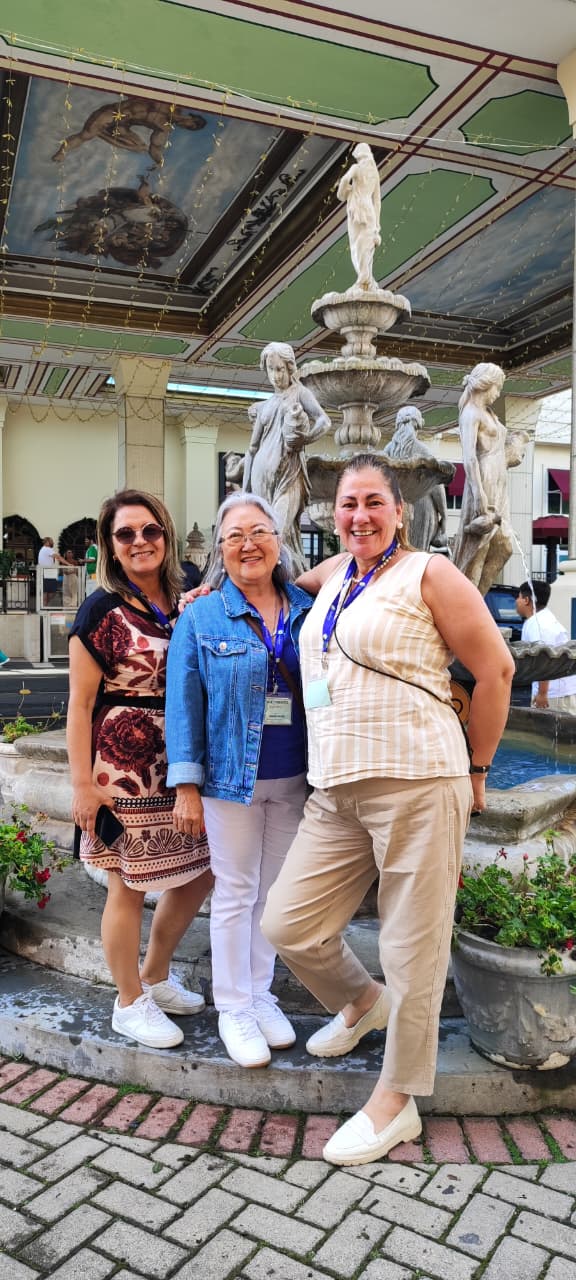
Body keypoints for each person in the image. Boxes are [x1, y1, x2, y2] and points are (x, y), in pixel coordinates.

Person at [261, 454, 514, 1166]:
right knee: (288, 922)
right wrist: (209, 592)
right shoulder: (335, 575)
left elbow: (496, 670)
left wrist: (478, 768)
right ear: (333, 514)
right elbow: (274, 587)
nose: (360, 516)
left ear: (400, 511)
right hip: (336, 785)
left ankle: (397, 1100)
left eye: (374, 502)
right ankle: (362, 1002)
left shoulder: (429, 572)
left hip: (419, 778)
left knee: (412, 948)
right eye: (348, 504)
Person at [165, 492, 312, 1069]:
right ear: (220, 550)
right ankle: (233, 1007)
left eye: (259, 532)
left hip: (295, 776)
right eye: (234, 536)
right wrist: (186, 786)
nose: (248, 545)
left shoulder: (306, 608)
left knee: (272, 895)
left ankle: (259, 993)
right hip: (231, 782)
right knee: (235, 891)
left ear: (278, 541)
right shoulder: (200, 617)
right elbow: (183, 707)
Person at [67, 488, 212, 1050]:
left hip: (182, 759)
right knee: (127, 885)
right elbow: (79, 704)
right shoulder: (99, 611)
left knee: (202, 871)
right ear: (110, 545)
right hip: (123, 764)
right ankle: (128, 1002)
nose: (140, 541)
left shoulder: (188, 588)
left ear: (166, 534)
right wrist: (82, 785)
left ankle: (154, 975)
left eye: (150, 530)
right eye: (125, 534)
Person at [243, 342, 330, 575]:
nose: (275, 376)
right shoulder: (266, 405)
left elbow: (324, 420)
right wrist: (246, 490)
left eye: (280, 369)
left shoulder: (300, 393)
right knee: (265, 532)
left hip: (289, 475)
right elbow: (252, 449)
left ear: (290, 367)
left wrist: (306, 439)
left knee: (276, 532)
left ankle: (286, 583)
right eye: (271, 369)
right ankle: (276, 583)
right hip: (261, 478)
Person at [452, 363, 528, 597]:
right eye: (498, 387)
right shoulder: (470, 413)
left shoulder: (488, 413)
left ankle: (476, 601)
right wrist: (479, 495)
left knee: (504, 547)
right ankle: (465, 605)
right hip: (484, 480)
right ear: (487, 384)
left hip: (499, 480)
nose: (498, 393)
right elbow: (469, 458)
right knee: (479, 549)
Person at [383, 404, 448, 552]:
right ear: (416, 424)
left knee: (395, 552)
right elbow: (436, 486)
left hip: (394, 507)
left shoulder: (388, 450)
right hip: (421, 505)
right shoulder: (423, 450)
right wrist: (444, 515)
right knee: (418, 553)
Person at [516, 580, 576, 712]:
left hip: (555, 695)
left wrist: (542, 693)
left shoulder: (539, 625)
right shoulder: (540, 619)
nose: (516, 601)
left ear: (526, 600)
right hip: (554, 692)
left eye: (518, 597)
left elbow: (544, 658)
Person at [336, 142, 381, 291]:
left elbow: (344, 180)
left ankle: (363, 279)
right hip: (369, 210)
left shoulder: (356, 168)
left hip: (356, 209)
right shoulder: (374, 174)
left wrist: (342, 194)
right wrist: (377, 225)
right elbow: (377, 201)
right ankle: (367, 279)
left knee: (356, 245)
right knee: (367, 245)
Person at [38, 536, 66, 607]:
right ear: (47, 542)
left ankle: (45, 606)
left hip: (48, 573)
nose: (53, 542)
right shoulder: (47, 549)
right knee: (48, 592)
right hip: (47, 573)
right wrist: (68, 564)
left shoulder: (45, 549)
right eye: (51, 541)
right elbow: (58, 557)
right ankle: (44, 606)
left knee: (49, 592)